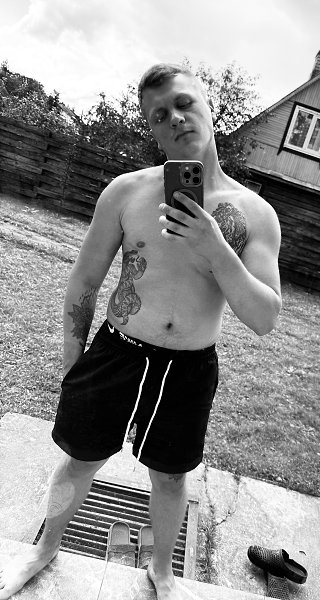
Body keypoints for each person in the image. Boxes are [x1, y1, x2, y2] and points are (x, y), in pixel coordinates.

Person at [0, 63, 281, 600]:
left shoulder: (255, 213)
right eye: (158, 115)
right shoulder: (127, 192)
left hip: (189, 366)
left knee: (170, 477)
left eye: (183, 103)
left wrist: (215, 247)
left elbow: (265, 317)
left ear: (208, 106)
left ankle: (162, 572)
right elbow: (85, 281)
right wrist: (72, 364)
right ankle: (43, 550)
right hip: (117, 351)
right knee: (80, 459)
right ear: (153, 131)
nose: (174, 118)